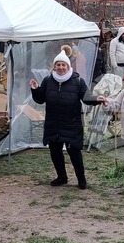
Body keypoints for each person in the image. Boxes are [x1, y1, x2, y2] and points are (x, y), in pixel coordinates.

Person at [29, 48, 100, 189]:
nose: (61, 68)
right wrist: (36, 89)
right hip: (53, 122)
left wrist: (97, 99)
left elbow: (86, 97)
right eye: (58, 65)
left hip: (71, 122)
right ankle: (61, 177)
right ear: (54, 66)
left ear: (68, 67)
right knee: (55, 152)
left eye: (63, 65)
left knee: (74, 151)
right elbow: (40, 100)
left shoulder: (78, 81)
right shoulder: (48, 80)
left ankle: (81, 179)